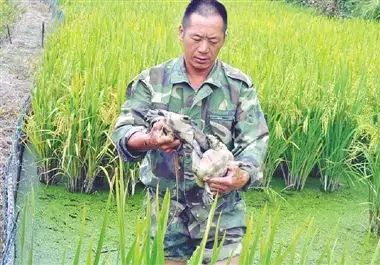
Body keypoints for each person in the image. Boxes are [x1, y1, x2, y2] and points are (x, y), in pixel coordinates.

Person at [112, 0, 268, 264]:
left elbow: (255, 140)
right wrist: (150, 140)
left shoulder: (238, 85)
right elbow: (124, 131)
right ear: (181, 32)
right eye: (196, 38)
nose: (204, 49)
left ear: (224, 39)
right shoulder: (153, 81)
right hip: (165, 211)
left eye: (213, 40)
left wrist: (241, 174)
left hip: (221, 210)